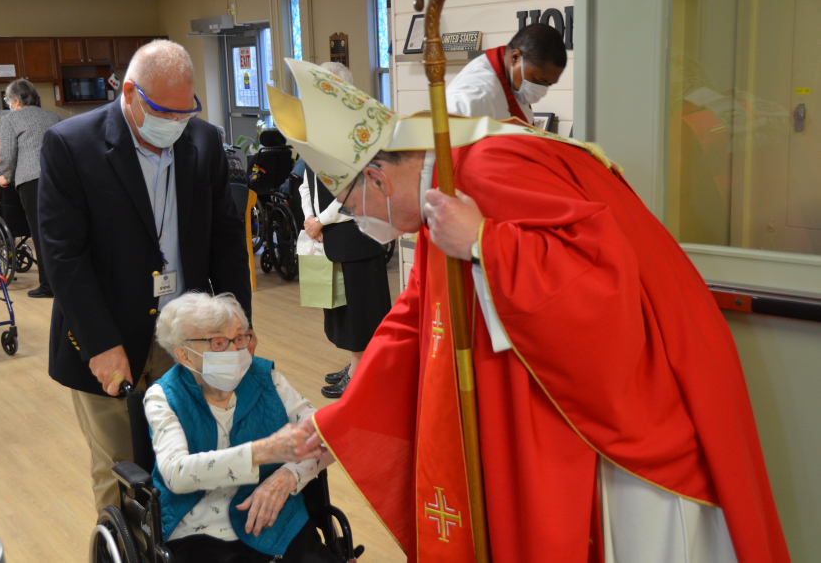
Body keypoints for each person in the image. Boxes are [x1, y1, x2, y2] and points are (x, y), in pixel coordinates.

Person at [268, 59, 790, 563]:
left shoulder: (488, 167)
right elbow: (416, 318)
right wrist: (339, 423)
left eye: (351, 207)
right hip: (572, 406)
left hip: (636, 397)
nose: (359, 221)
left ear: (378, 179)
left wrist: (484, 241)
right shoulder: (442, 188)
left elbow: (601, 279)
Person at [38, 40, 254, 517]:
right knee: (121, 468)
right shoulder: (72, 145)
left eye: (185, 112)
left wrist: (240, 324)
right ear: (130, 93)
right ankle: (121, 546)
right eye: (163, 112)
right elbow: (63, 255)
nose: (175, 123)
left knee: (191, 456)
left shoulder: (203, 143)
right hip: (108, 335)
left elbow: (225, 241)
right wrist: (100, 343)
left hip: (187, 334)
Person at [147, 292, 336, 563]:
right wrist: (261, 452)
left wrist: (288, 475)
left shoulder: (267, 378)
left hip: (276, 516)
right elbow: (177, 473)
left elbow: (328, 434)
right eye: (218, 342)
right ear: (184, 355)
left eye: (239, 338)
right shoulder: (164, 396)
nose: (235, 352)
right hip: (199, 531)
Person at [296, 63, 391, 399]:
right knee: (344, 308)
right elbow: (306, 182)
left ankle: (361, 369)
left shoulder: (358, 133)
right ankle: (356, 362)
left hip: (357, 236)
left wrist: (321, 221)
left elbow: (355, 189)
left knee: (363, 308)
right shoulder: (317, 131)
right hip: (330, 235)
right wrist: (310, 218)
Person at [0, 79, 61, 298]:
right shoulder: (54, 116)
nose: (9, 104)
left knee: (40, 233)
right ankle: (65, 281)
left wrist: (6, 176)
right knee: (60, 230)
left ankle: (48, 285)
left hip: (32, 181)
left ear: (16, 100)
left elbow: (7, 155)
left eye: (8, 100)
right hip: (58, 179)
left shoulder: (11, 119)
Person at [446, 23, 566, 125]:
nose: (542, 91)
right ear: (515, 58)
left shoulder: (512, 81)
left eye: (548, 84)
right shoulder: (475, 95)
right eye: (538, 81)